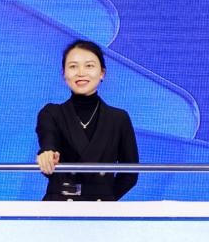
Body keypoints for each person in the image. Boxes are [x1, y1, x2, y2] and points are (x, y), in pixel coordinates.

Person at [36, 40, 139, 201]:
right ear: (64, 74)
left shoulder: (119, 118)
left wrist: (105, 197)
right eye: (73, 66)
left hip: (101, 209)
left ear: (102, 73)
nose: (81, 72)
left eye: (89, 66)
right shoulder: (51, 113)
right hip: (58, 206)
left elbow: (130, 174)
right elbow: (48, 140)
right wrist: (47, 154)